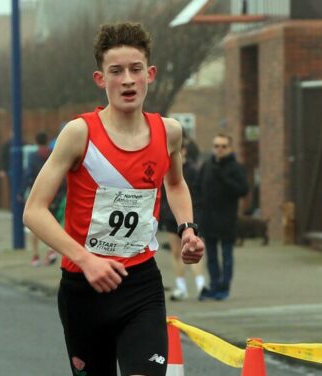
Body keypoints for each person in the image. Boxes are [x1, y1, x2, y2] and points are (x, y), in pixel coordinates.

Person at [22, 22, 204, 376]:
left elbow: (176, 183)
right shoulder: (79, 133)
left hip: (140, 284)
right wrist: (85, 259)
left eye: (136, 69)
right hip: (83, 288)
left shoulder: (169, 132)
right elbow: (34, 211)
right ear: (100, 79)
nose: (127, 80)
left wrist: (187, 229)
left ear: (149, 74)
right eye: (116, 71)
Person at [195, 133, 248, 301]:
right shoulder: (207, 166)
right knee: (210, 256)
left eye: (223, 146)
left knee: (226, 255)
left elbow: (243, 190)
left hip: (227, 220)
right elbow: (197, 188)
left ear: (230, 148)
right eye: (216, 146)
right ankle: (214, 285)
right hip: (208, 220)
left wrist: (224, 178)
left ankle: (224, 288)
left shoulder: (236, 168)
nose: (219, 149)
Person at [160, 140, 206, 301]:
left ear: (185, 151)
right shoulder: (165, 168)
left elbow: (199, 193)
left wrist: (197, 215)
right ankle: (181, 288)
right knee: (176, 252)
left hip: (191, 217)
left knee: (193, 250)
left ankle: (201, 286)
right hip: (170, 217)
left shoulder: (193, 171)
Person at [22, 132, 54, 266]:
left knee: (33, 225)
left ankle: (35, 256)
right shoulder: (53, 153)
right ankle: (51, 250)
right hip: (53, 191)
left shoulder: (32, 156)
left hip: (36, 192)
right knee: (52, 223)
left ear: (36, 141)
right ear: (47, 140)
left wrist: (21, 190)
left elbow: (28, 173)